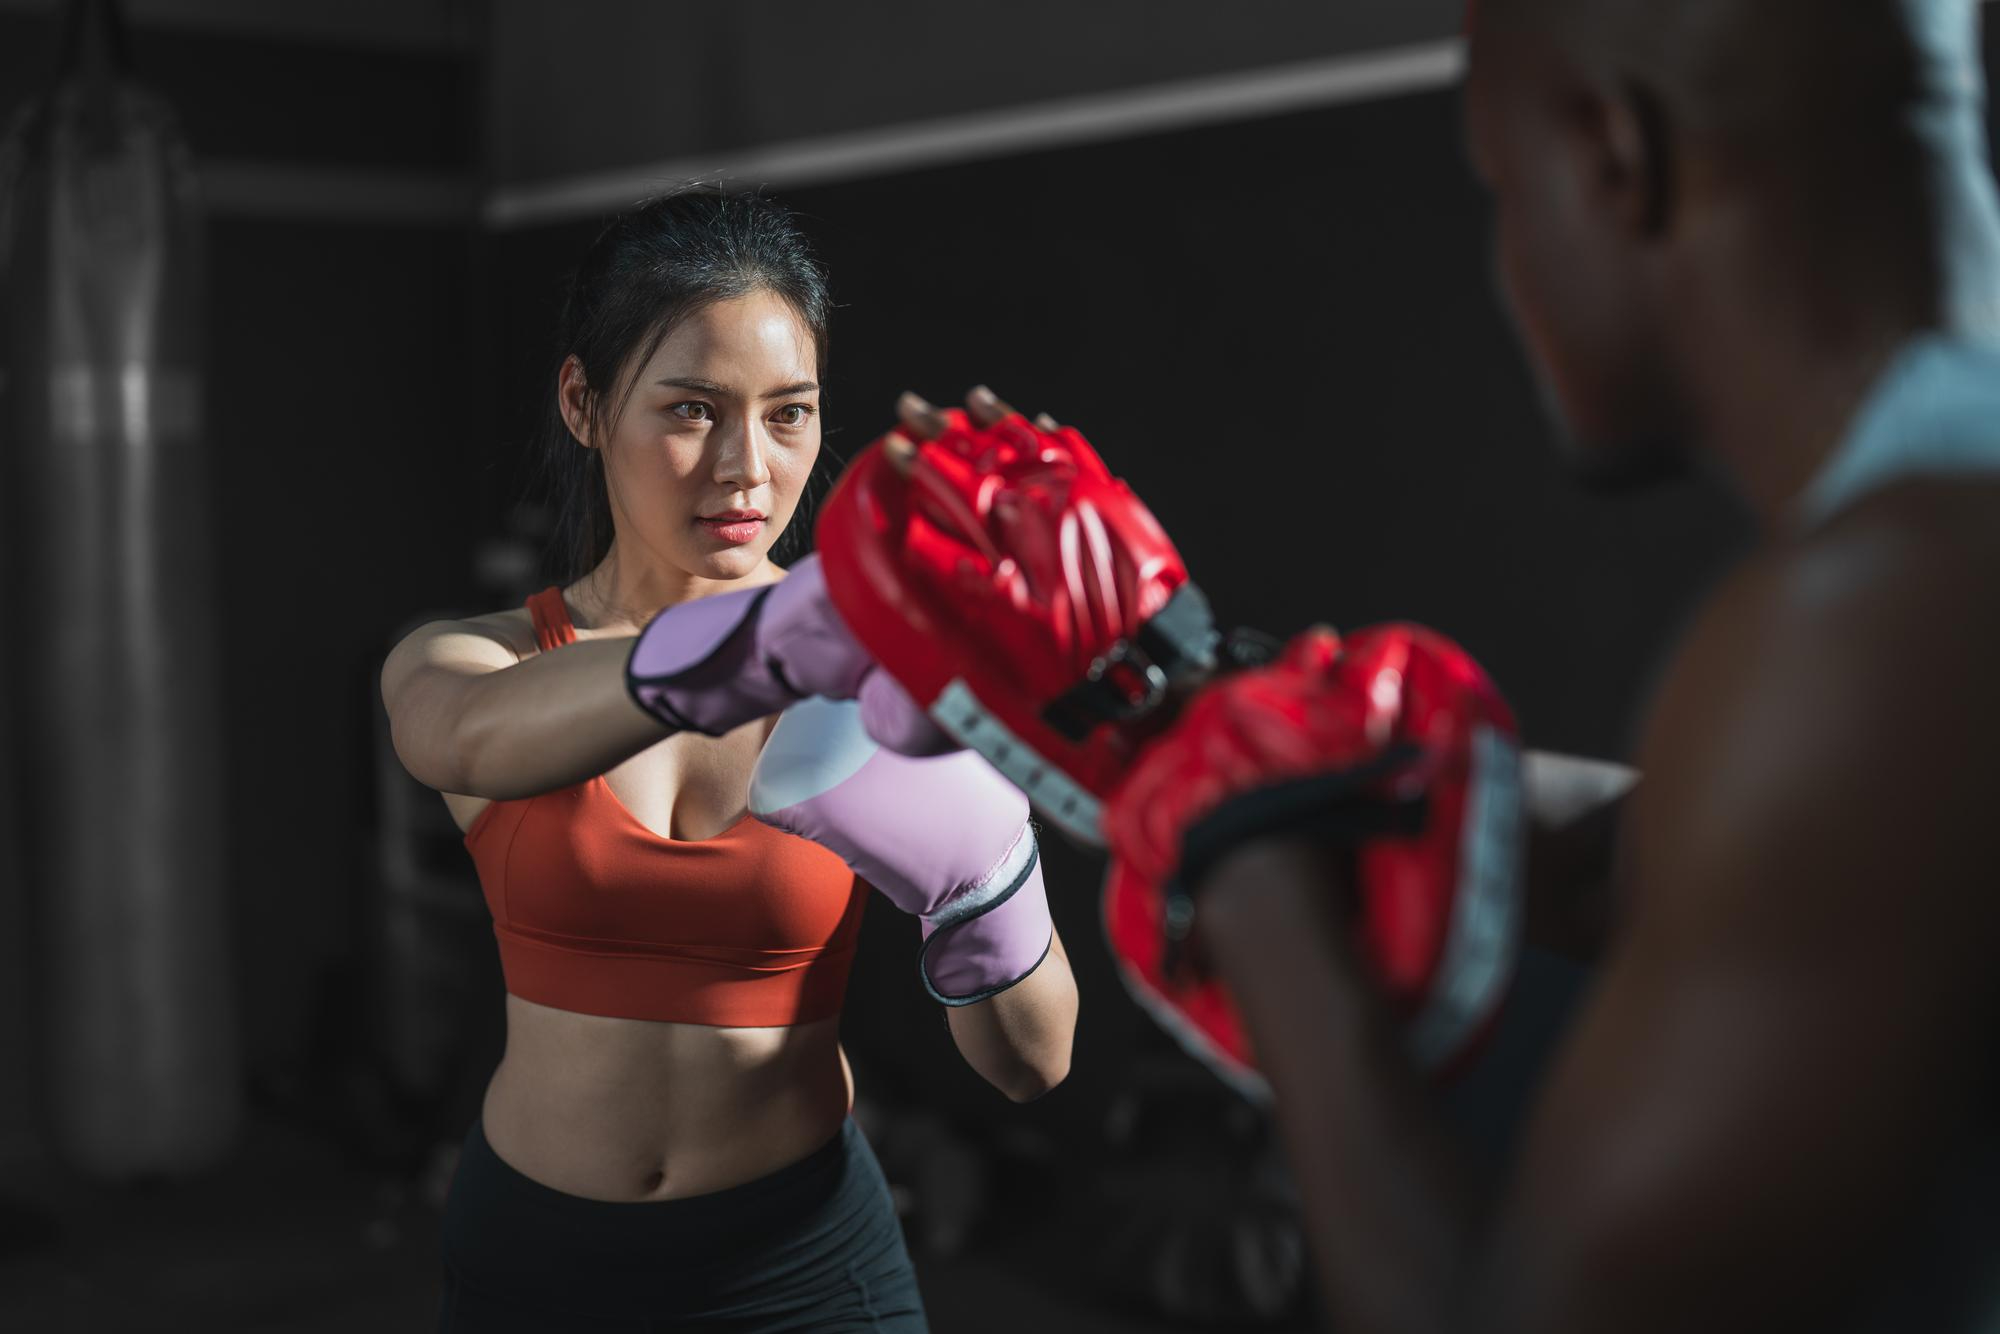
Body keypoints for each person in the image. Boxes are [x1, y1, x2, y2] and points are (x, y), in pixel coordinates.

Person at [880, 0, 2000, 1326]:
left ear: (1611, 153)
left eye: (1503, 189)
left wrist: (1250, 876)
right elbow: (1694, 861)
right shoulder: (1932, 582)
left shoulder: (1865, 633)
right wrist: (1215, 720)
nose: (1510, 257)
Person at [379, 188, 1077, 1331]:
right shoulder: (485, 656)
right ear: (584, 401)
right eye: (693, 409)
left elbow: (1030, 1063)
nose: (746, 466)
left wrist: (985, 878)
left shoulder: (872, 680)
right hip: (538, 1267)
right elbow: (456, 734)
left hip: (803, 1266)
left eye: (789, 412)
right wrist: (761, 643)